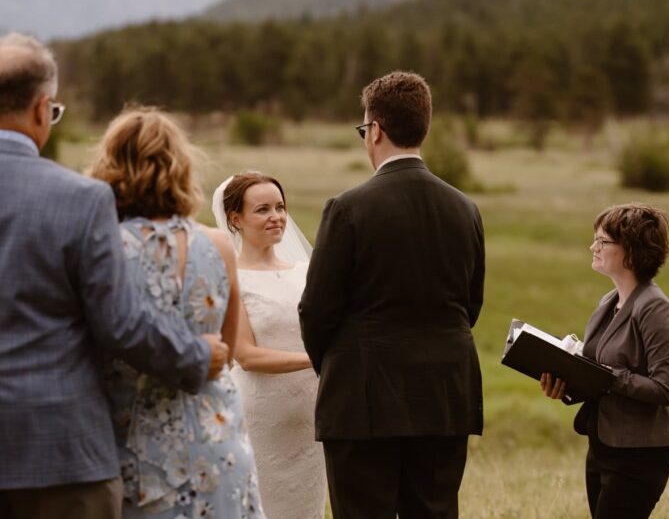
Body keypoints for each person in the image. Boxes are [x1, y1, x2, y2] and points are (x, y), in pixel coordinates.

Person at [0, 33, 226, 519]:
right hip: (60, 458)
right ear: (43, 108)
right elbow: (119, 323)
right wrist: (194, 353)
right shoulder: (82, 200)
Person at [299, 71, 485, 519]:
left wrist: (339, 365)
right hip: (444, 394)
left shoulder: (347, 208)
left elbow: (316, 310)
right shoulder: (466, 209)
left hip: (363, 401)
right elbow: (470, 305)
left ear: (376, 130)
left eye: (365, 130)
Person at [90, 109, 264, 519]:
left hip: (138, 453)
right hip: (216, 444)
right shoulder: (219, 245)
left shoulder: (104, 247)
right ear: (182, 167)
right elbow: (224, 347)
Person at [539, 203, 669, 519]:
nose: (593, 247)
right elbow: (598, 377)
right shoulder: (609, 302)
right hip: (602, 446)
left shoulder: (655, 308)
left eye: (603, 241)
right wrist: (565, 384)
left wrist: (606, 375)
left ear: (630, 252)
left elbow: (665, 388)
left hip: (639, 454)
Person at [211, 171, 326, 519]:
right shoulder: (231, 276)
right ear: (236, 219)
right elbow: (246, 355)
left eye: (280, 207)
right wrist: (316, 358)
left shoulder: (306, 271)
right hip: (261, 418)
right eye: (262, 209)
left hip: (310, 419)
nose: (276, 216)